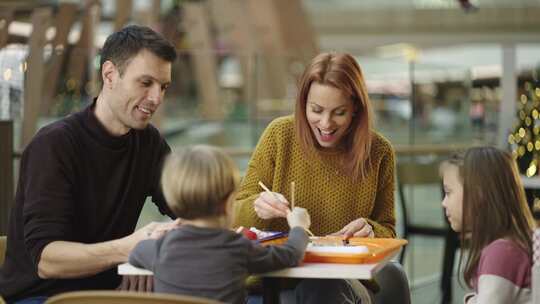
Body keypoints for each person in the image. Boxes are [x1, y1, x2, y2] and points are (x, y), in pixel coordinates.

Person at [0, 25, 180, 302]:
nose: (157, 98)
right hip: (42, 297)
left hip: (111, 292)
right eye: (145, 83)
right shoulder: (54, 145)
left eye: (163, 87)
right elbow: (47, 261)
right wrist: (129, 250)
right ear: (109, 74)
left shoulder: (149, 143)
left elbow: (189, 208)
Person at [234, 52, 396, 303]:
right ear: (303, 104)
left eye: (339, 112)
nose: (326, 123)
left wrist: (372, 231)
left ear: (356, 108)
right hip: (272, 281)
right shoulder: (279, 136)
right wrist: (257, 206)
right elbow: (234, 216)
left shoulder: (379, 152)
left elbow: (389, 232)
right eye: (316, 110)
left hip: (342, 281)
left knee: (323, 289)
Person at [129, 145, 311, 304]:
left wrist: (157, 237)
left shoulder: (162, 248)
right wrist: (298, 227)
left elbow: (136, 253)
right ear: (227, 204)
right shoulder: (238, 248)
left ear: (174, 202)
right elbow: (291, 255)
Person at [440, 147, 534, 303]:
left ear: (478, 196)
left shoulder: (502, 253)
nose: (443, 203)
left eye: (448, 192)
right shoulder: (509, 246)